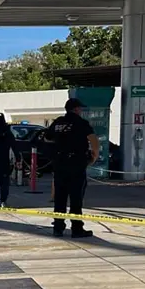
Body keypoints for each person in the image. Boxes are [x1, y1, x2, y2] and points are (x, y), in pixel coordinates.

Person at [43, 98, 100, 238]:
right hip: (76, 163)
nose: (81, 111)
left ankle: (58, 228)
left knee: (60, 198)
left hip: (60, 163)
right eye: (80, 108)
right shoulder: (81, 123)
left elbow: (47, 138)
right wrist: (94, 156)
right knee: (76, 198)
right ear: (76, 109)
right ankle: (76, 229)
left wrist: (60, 144)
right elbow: (93, 140)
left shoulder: (58, 122)